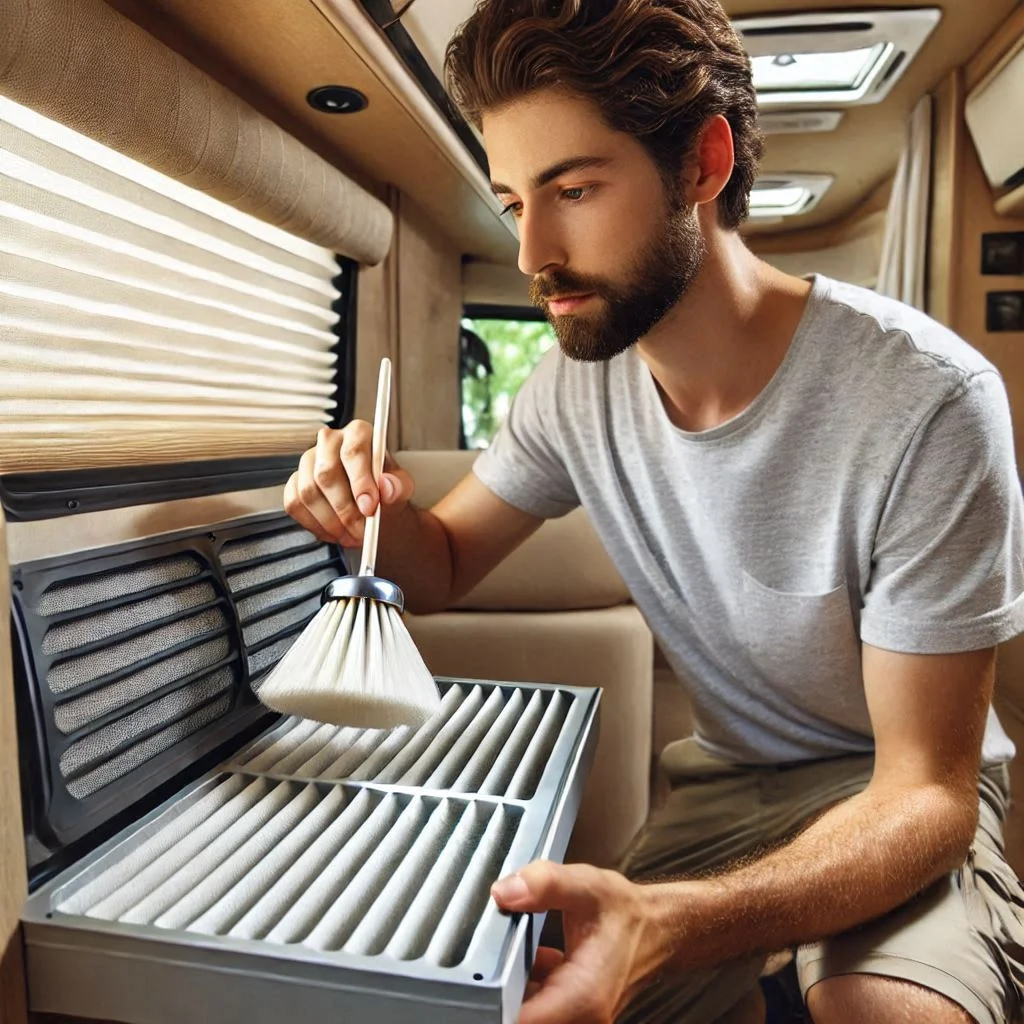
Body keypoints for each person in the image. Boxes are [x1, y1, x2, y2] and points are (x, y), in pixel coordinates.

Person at [284, 1, 1024, 1021]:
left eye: (574, 189)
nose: (532, 253)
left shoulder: (929, 399)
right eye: (511, 203)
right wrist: (361, 510)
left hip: (895, 787)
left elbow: (926, 794)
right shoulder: (569, 391)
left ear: (703, 163)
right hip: (725, 788)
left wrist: (670, 920)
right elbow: (442, 564)